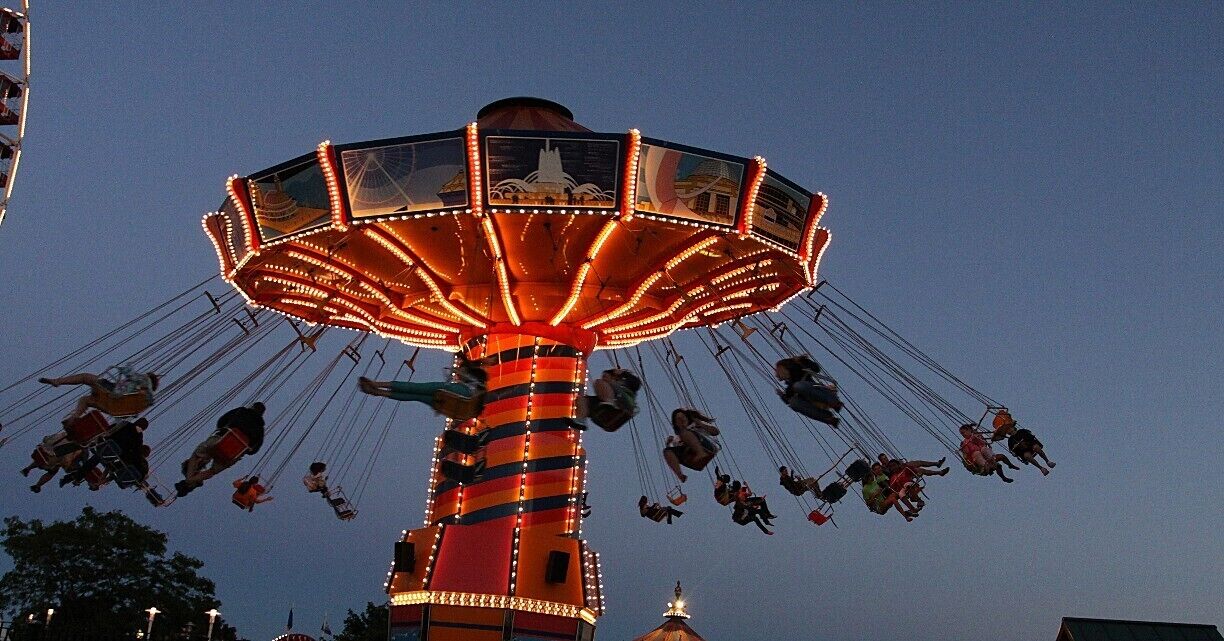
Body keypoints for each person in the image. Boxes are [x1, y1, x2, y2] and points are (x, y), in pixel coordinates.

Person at [175, 402, 266, 497]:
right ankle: (189, 482)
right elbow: (254, 450)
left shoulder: (241, 411)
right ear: (261, 414)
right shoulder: (260, 429)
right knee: (212, 471)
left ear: (252, 407)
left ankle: (189, 480)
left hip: (220, 440)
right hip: (232, 454)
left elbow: (221, 422)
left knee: (196, 455)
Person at [359, 358, 488, 418]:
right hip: (450, 403)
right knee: (416, 396)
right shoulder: (477, 394)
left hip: (456, 394)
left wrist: (458, 371)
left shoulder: (468, 386)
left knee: (417, 388)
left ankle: (378, 385)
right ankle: (379, 392)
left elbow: (464, 372)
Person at [39, 366, 160, 422]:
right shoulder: (145, 400)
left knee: (85, 377)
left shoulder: (144, 380)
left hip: (112, 393)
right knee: (86, 400)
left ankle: (58, 381)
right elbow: (133, 414)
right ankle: (73, 418)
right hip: (114, 409)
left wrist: (126, 368)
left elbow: (130, 374)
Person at [775, 356, 842, 428]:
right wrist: (782, 396)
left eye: (778, 371)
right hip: (813, 401)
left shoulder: (799, 369)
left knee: (798, 386)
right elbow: (789, 400)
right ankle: (829, 419)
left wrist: (804, 361)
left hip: (819, 391)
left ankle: (834, 402)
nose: (776, 375)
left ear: (785, 368)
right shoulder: (789, 388)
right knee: (793, 403)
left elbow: (816, 369)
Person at [572, 368, 641, 431]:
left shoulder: (624, 386)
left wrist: (622, 374)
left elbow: (634, 383)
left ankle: (609, 404)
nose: (604, 378)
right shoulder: (609, 390)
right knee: (582, 399)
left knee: (599, 382)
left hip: (620, 404)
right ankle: (580, 421)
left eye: (605, 376)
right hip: (606, 411)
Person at [662, 409, 720, 483]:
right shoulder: (677, 439)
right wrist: (668, 444)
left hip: (706, 448)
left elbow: (716, 432)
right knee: (667, 451)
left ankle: (700, 453)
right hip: (692, 457)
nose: (681, 420)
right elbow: (673, 454)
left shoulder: (695, 426)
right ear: (676, 424)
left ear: (687, 418)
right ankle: (680, 475)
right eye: (678, 419)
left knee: (684, 432)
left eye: (683, 417)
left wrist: (701, 424)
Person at [877, 453, 949, 478]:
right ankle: (940, 472)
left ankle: (937, 463)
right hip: (901, 473)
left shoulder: (891, 462)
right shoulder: (884, 468)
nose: (886, 459)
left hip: (904, 467)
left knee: (919, 462)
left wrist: (900, 462)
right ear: (881, 461)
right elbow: (891, 473)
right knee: (920, 470)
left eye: (886, 457)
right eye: (884, 459)